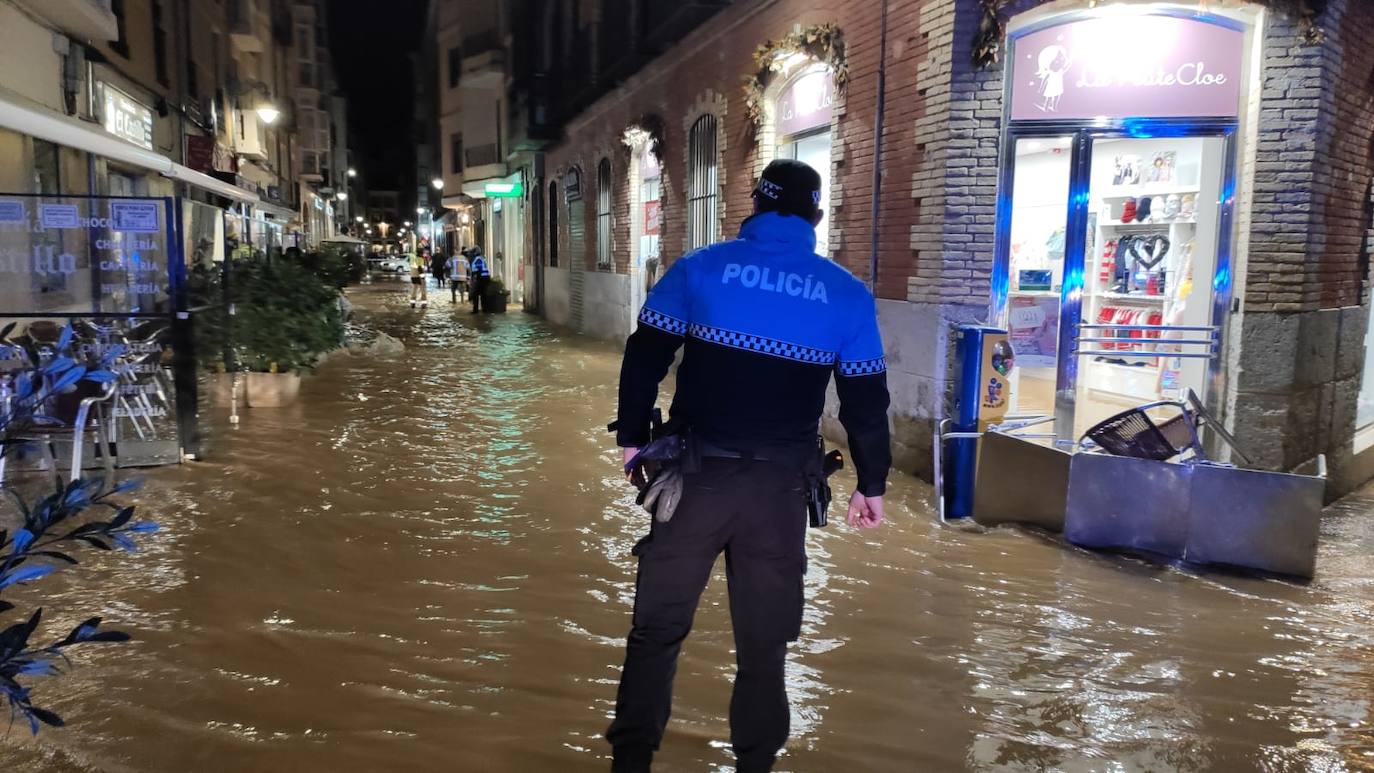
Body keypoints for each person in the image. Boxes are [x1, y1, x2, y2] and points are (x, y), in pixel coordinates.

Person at [606, 159, 891, 772]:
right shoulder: (846, 294)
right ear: (816, 215)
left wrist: (633, 439)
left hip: (692, 482)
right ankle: (755, 764)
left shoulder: (698, 269)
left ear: (755, 207)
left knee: (656, 632)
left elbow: (643, 358)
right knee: (764, 648)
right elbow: (866, 404)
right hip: (780, 492)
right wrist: (872, 483)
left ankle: (630, 764)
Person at [468, 247, 490, 313]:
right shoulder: (481, 258)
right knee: (483, 294)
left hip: (481, 278)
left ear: (475, 253)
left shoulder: (477, 259)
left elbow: (477, 269)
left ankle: (476, 310)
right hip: (484, 278)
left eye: (472, 252)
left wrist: (475, 277)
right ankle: (485, 309)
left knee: (475, 294)